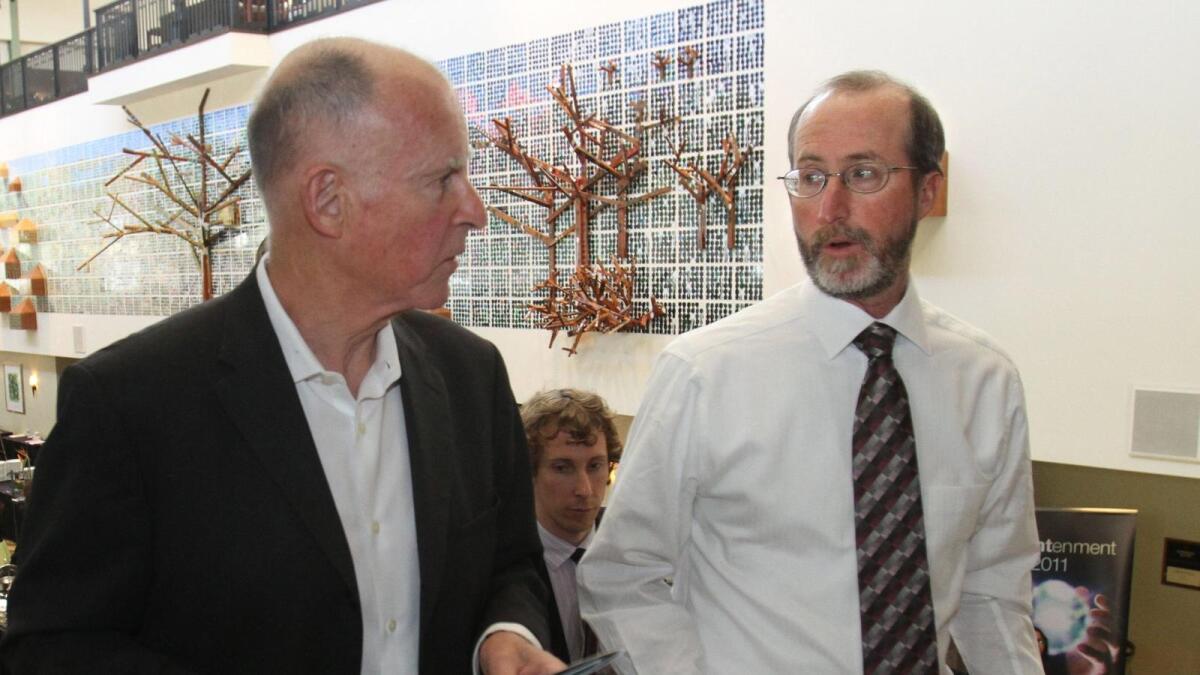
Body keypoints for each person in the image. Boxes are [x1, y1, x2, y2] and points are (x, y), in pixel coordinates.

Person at [0, 38, 565, 675]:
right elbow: (51, 646)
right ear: (328, 200)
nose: (476, 211)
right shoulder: (132, 404)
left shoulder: (471, 377)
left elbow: (512, 564)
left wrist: (504, 631)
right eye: (442, 179)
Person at [578, 70, 1043, 674]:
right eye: (811, 177)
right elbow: (623, 574)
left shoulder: (985, 381)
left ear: (929, 191)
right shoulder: (705, 373)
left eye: (864, 174)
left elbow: (992, 593)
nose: (831, 209)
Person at [520, 389, 623, 663]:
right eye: (563, 468)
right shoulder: (504, 561)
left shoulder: (634, 548)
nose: (584, 489)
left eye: (595, 466)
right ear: (529, 471)